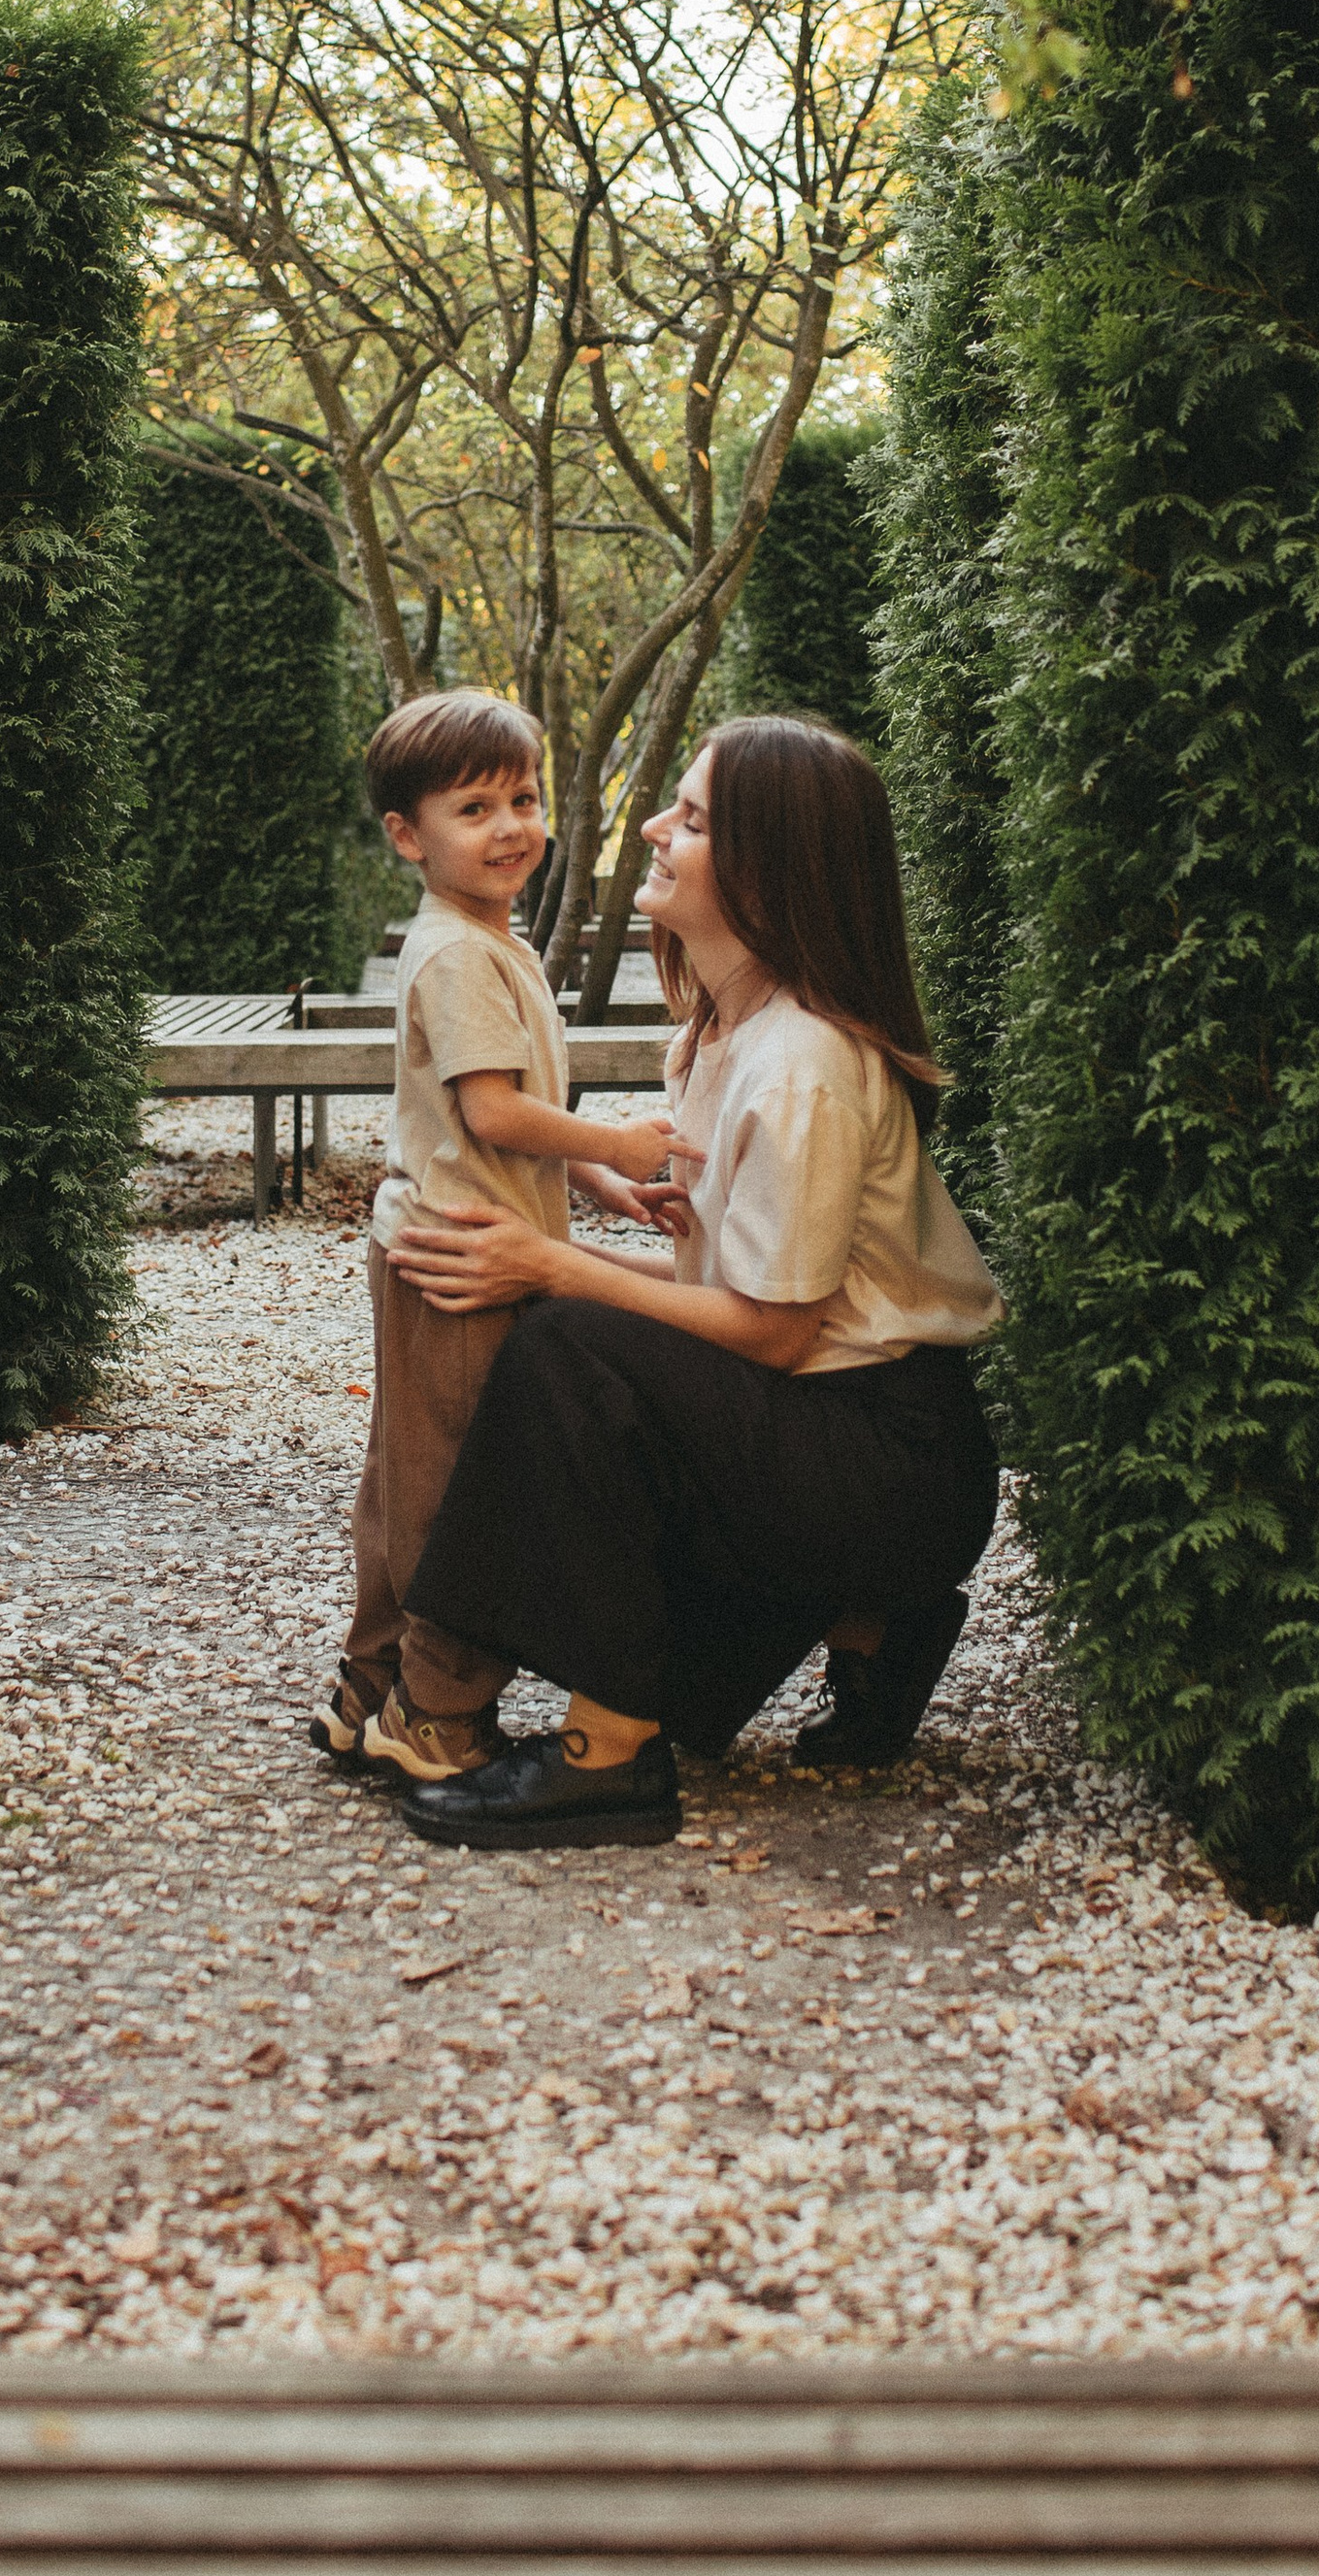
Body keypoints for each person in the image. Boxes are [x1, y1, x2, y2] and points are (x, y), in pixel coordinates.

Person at [383, 713, 1003, 1851]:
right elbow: (721, 1321)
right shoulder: (720, 1029)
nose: (657, 830)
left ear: (770, 868)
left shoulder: (805, 1062)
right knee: (572, 1333)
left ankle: (606, 1759)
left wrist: (550, 1265)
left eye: (696, 818)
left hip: (888, 1456)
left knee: (566, 1349)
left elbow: (767, 1335)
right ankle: (872, 1627)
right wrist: (553, 1267)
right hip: (823, 1422)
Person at [312, 688, 680, 1786]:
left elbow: (506, 1116)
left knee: (407, 1471)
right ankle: (437, 1711)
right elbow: (493, 1114)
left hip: (449, 1235)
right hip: (457, 1264)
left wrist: (595, 1185)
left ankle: (367, 1686)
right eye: (473, 808)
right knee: (462, 1485)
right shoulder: (463, 957)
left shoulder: (485, 935)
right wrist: (620, 1139)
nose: (510, 825)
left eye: (521, 797)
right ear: (405, 835)